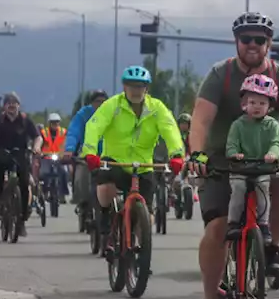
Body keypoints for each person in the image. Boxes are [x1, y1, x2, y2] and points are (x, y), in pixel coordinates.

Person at [187, 12, 279, 299]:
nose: (253, 45)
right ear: (236, 41)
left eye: (260, 40)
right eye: (246, 39)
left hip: (266, 159)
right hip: (222, 162)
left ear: (269, 44)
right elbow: (200, 121)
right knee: (218, 229)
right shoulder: (220, 75)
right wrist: (197, 154)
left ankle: (272, 247)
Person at [80, 67, 185, 255]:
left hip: (144, 165)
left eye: (140, 86)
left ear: (147, 88)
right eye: (132, 86)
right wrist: (90, 152)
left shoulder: (157, 108)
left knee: (147, 215)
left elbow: (170, 130)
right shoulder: (112, 105)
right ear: (124, 87)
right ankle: (105, 219)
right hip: (114, 161)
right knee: (105, 189)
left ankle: (142, 253)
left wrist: (177, 155)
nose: (136, 90)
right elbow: (94, 126)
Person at [224, 73, 279, 251]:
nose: (257, 107)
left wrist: (273, 154)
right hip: (241, 169)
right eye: (252, 102)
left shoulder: (272, 125)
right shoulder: (238, 125)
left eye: (262, 103)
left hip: (263, 168)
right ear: (244, 104)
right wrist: (234, 154)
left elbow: (276, 142)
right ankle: (233, 223)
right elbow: (231, 144)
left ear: (270, 107)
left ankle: (263, 225)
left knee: (263, 188)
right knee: (238, 188)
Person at [0, 92, 43, 235]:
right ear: (4, 106)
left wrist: (36, 147)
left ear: (18, 105)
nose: (11, 105)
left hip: (20, 154)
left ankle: (21, 219)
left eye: (14, 102)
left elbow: (37, 137)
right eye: (8, 102)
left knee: (24, 183)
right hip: (2, 153)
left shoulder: (25, 121)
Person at [64, 90, 108, 220]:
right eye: (97, 102)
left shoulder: (113, 113)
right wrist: (70, 149)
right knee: (81, 177)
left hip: (108, 156)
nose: (100, 104)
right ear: (91, 103)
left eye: (103, 102)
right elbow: (74, 132)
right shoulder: (83, 114)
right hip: (87, 155)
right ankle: (83, 204)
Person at [39, 112, 69, 203]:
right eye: (53, 122)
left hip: (59, 158)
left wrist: (66, 153)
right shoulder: (43, 133)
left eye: (57, 122)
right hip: (46, 158)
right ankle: (43, 193)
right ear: (49, 123)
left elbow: (67, 144)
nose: (55, 124)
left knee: (64, 172)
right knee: (43, 174)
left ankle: (63, 194)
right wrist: (40, 153)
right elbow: (39, 143)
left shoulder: (63, 132)